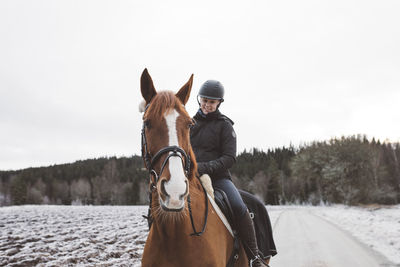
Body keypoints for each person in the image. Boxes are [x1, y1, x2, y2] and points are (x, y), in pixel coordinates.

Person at [190, 80, 269, 267]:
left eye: (212, 102)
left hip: (218, 178)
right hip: (189, 177)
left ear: (219, 103)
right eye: (204, 100)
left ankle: (254, 257)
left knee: (238, 206)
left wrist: (203, 167)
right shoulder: (189, 124)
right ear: (199, 99)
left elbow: (229, 158)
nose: (207, 104)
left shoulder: (225, 125)